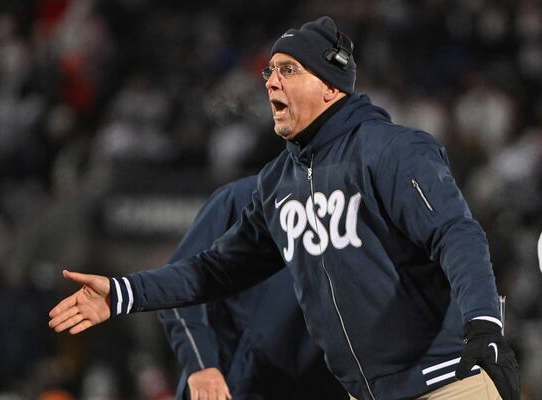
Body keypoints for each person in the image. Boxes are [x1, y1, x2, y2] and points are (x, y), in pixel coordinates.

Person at [49, 16, 520, 400]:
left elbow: (456, 234)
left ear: (331, 86)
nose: (271, 80)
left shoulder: (391, 149)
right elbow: (213, 271)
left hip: (447, 382)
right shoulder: (277, 184)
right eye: (269, 71)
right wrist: (123, 293)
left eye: (289, 69)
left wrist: (483, 325)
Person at [157, 175, 347, 400]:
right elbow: (178, 290)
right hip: (231, 387)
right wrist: (201, 365)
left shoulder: (363, 205)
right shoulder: (242, 197)